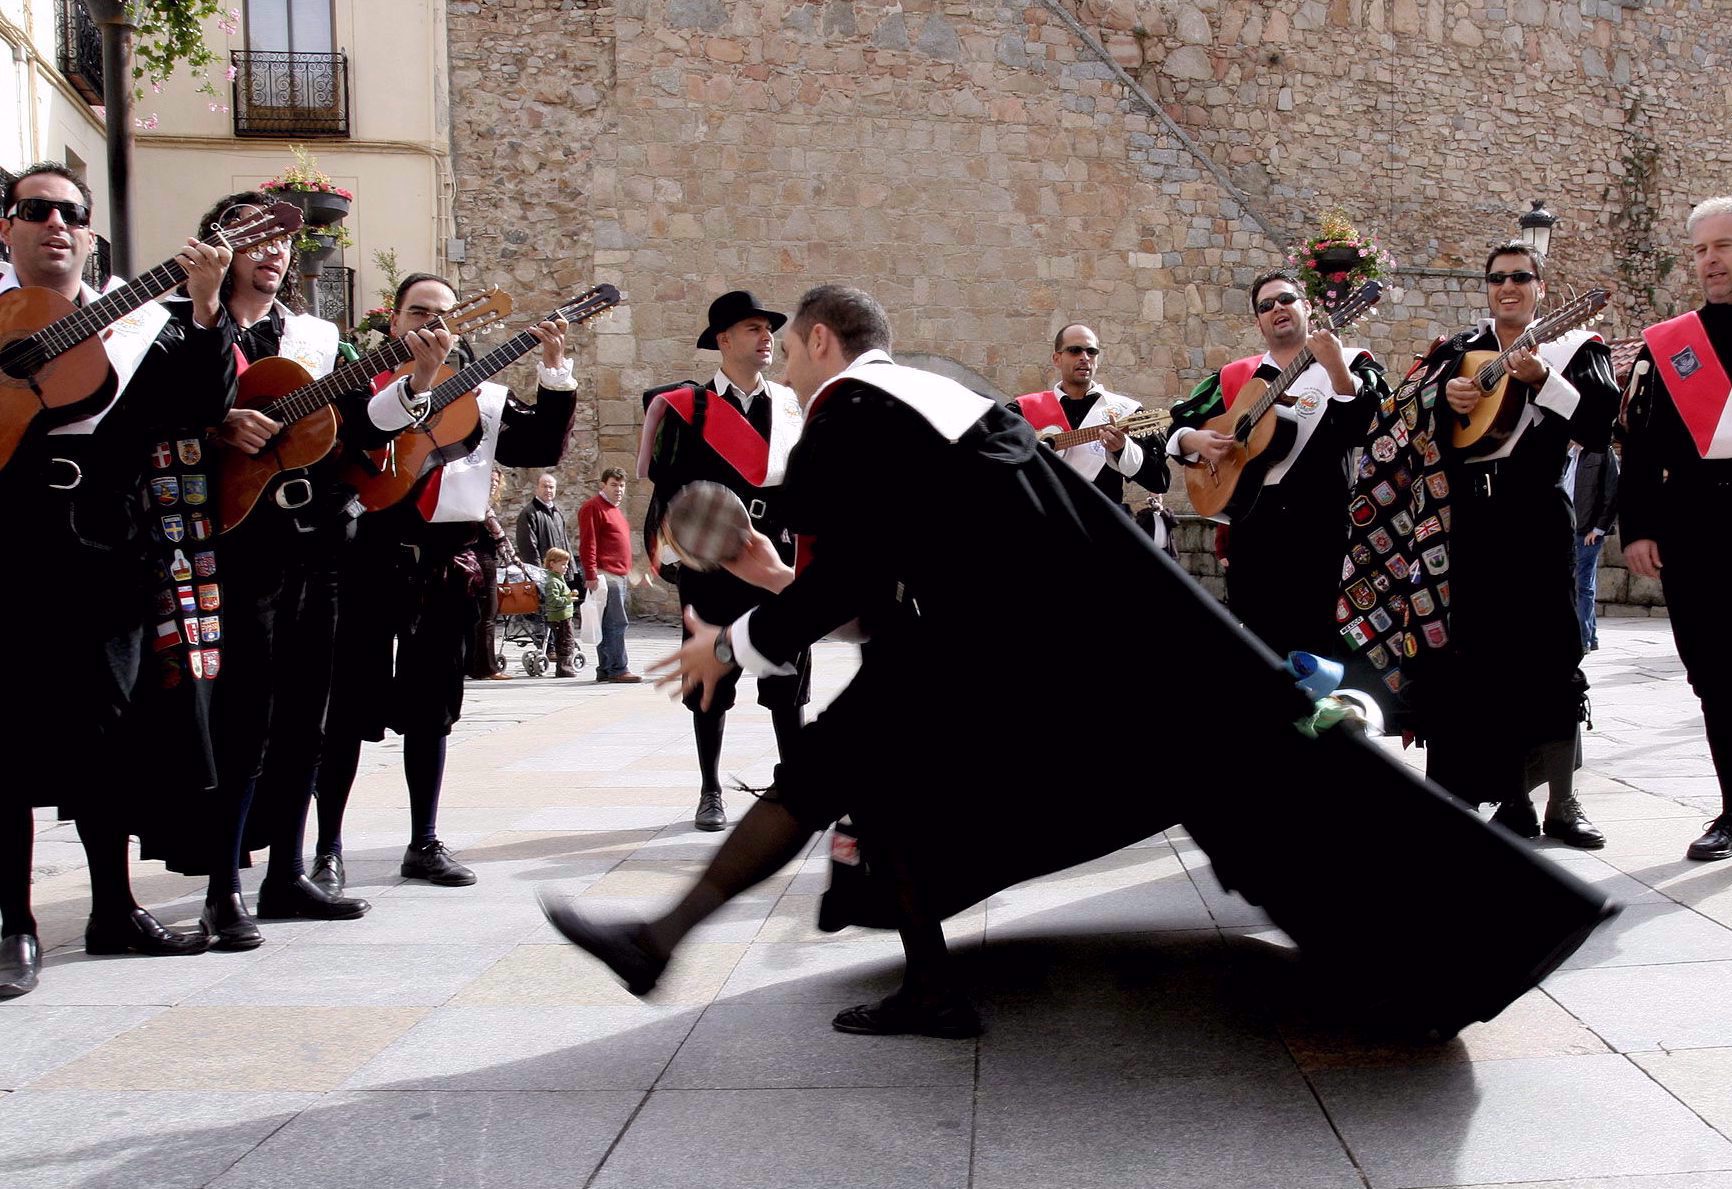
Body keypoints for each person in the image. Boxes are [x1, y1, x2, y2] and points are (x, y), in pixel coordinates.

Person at [543, 285, 1616, 1042]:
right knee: (861, 778)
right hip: (1037, 642)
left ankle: (667, 938)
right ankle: (904, 983)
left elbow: (865, 569)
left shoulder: (853, 408)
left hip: (988, 646)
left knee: (829, 771)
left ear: (822, 342)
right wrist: (777, 592)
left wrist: (730, 639)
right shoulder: (944, 397)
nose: (785, 365)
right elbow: (911, 560)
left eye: (793, 347)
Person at [0, 163, 236, 997]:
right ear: (8, 228)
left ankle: (112, 908)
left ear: (91, 235)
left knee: (108, 733)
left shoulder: (138, 324)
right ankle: (13, 925)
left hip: (105, 546)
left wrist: (207, 308)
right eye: (35, 210)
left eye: (71, 213)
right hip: (7, 543)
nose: (54, 224)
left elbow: (200, 408)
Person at [207, 194, 436, 942]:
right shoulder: (190, 329)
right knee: (245, 716)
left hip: (316, 539)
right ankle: (221, 886)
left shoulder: (313, 339)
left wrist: (414, 384)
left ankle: (286, 874)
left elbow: (359, 422)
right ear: (223, 246)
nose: (274, 252)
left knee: (309, 711)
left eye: (284, 242)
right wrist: (216, 423)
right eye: (257, 239)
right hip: (235, 539)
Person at [312, 273, 577, 894]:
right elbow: (360, 437)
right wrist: (420, 385)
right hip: (370, 554)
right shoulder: (358, 384)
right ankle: (327, 848)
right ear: (394, 321)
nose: (432, 323)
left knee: (432, 711)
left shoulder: (484, 396)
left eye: (444, 314)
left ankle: (424, 841)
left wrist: (555, 367)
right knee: (348, 705)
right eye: (418, 312)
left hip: (447, 561)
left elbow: (539, 446)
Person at [1385, 242, 1617, 849]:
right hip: (1468, 522)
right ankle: (1512, 801)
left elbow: (1598, 428)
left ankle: (1565, 803)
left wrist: (1544, 381)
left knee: (1553, 651)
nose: (1507, 286)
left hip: (1535, 512)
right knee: (1483, 660)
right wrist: (1444, 400)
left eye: (1520, 277)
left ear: (1543, 286)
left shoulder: (1577, 346)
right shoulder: (1457, 351)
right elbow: (1399, 416)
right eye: (1496, 278)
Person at [639, 290, 809, 830]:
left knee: (787, 673)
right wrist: (681, 548)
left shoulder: (789, 405)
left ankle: (795, 782)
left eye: (770, 330)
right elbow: (667, 487)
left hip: (774, 551)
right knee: (710, 680)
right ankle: (711, 788)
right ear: (723, 340)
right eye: (754, 329)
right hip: (712, 562)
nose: (767, 340)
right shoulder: (685, 408)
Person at [1167, 269, 1387, 658]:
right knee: (1258, 642)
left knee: (1322, 645)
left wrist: (1336, 368)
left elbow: (1370, 427)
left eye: (1286, 299)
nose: (1277, 309)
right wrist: (1194, 439)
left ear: (1307, 306)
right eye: (1266, 306)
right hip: (1254, 530)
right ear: (1258, 321)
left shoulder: (1352, 361)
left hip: (1321, 525)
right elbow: (1180, 420)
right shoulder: (1236, 377)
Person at [1620, 196, 1732, 862]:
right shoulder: (1673, 344)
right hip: (1697, 528)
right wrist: (1637, 526)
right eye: (1701, 250)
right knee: (1715, 674)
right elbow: (1642, 447)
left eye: (1724, 246)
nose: (1712, 261)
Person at [1012, 322, 1169, 511]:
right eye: (1074, 351)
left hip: (1100, 522)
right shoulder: (1021, 409)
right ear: (1056, 359)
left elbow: (1159, 480)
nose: (1084, 358)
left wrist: (1121, 449)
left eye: (1091, 351)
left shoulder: (1128, 411)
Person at [578, 468, 640, 684]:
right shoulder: (593, 507)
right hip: (606, 574)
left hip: (619, 574)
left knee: (606, 624)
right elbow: (588, 542)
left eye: (622, 485)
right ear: (603, 485)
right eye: (614, 485)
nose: (619, 489)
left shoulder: (615, 510)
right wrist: (591, 573)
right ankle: (618, 668)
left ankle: (605, 668)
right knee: (616, 623)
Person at [468, 468, 517, 680]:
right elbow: (500, 537)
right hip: (483, 562)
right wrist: (512, 558)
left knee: (479, 616)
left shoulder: (473, 502)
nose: (494, 484)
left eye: (497, 481)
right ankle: (488, 667)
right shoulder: (482, 506)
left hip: (474, 562)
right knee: (488, 614)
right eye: (490, 480)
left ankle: (475, 664)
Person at [1571, 443, 1619, 651]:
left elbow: (1613, 492)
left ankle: (1582, 640)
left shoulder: (1602, 453)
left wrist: (1599, 528)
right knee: (1579, 585)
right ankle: (1591, 636)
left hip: (1588, 532)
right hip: (1568, 529)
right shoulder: (1570, 455)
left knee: (1582, 585)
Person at [515, 472, 571, 571]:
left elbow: (565, 543)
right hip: (544, 572)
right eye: (544, 486)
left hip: (560, 572)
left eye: (551, 487)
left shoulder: (557, 513)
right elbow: (528, 548)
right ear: (537, 488)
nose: (548, 490)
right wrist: (538, 572)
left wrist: (571, 569)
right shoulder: (529, 513)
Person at [541, 546, 580, 677]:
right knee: (565, 643)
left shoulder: (558, 579)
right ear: (552, 564)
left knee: (567, 641)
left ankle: (565, 666)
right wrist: (568, 599)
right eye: (563, 564)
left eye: (567, 564)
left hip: (564, 616)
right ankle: (564, 668)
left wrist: (569, 595)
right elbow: (554, 600)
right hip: (560, 617)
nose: (566, 567)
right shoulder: (552, 581)